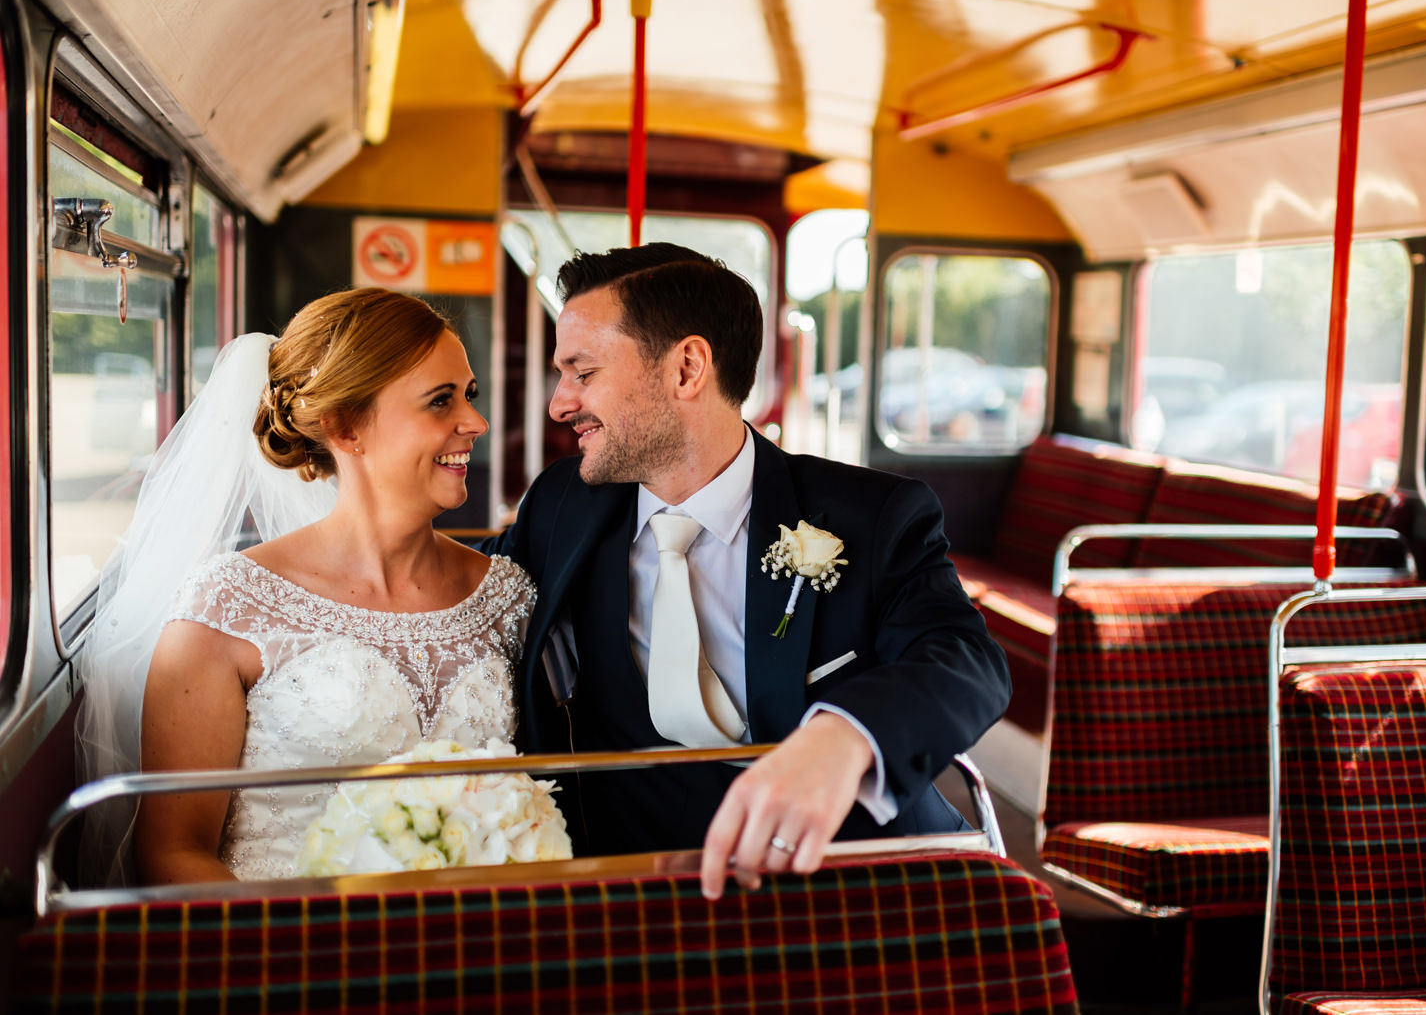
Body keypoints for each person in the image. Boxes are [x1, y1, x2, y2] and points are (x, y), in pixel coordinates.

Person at [484, 244, 1009, 899]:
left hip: (845, 874)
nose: (560, 404)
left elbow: (964, 659)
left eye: (582, 373)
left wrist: (843, 740)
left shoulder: (871, 517)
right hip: (632, 879)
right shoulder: (562, 503)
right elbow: (466, 592)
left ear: (687, 369)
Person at [77, 288, 534, 886]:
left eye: (468, 396)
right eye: (440, 401)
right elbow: (175, 854)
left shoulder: (507, 597)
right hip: (286, 952)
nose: (476, 422)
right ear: (345, 428)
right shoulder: (227, 608)